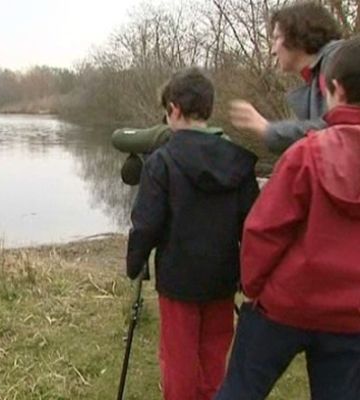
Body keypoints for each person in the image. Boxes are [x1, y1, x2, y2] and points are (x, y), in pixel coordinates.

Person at [215, 37, 360, 400]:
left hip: (284, 304)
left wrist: (254, 289)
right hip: (352, 317)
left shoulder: (307, 153)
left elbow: (263, 231)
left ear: (334, 88)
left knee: (239, 391)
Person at [126, 67, 259, 400]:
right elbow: (254, 224)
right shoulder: (238, 162)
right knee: (214, 356)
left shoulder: (162, 162)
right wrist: (250, 274)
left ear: (173, 109)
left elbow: (147, 223)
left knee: (179, 360)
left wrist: (135, 261)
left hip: (178, 281)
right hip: (222, 278)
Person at [230, 2, 342, 154]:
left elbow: (336, 130)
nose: (273, 51)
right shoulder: (322, 70)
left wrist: (268, 129)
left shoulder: (335, 62)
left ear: (297, 34)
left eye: (276, 38)